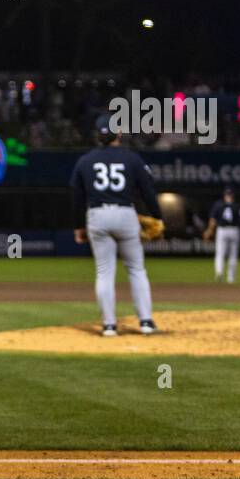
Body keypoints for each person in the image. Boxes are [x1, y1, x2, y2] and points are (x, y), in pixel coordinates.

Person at [70, 113, 163, 336]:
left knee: (104, 272)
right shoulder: (132, 158)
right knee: (136, 269)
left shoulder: (85, 161)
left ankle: (110, 325)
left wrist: (78, 226)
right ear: (118, 133)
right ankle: (146, 322)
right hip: (125, 214)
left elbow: (76, 196)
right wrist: (157, 215)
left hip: (97, 216)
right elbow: (148, 191)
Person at [202, 186, 240, 283]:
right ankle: (231, 279)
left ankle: (219, 272)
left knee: (220, 254)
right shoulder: (237, 206)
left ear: (225, 195)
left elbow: (213, 220)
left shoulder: (218, 205)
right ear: (233, 195)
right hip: (234, 230)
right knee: (233, 255)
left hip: (222, 230)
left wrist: (209, 231)